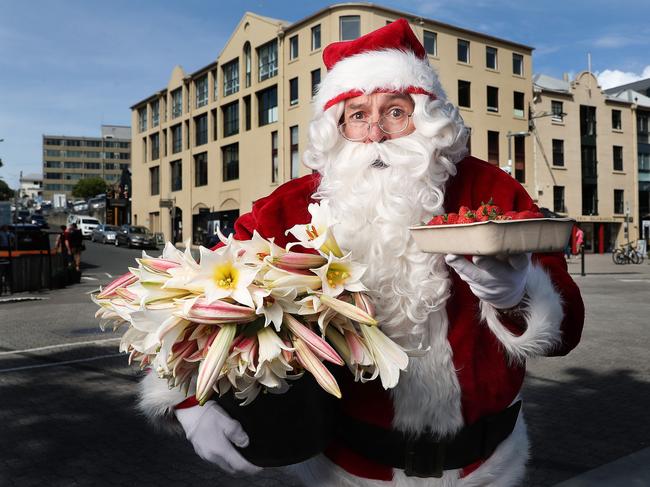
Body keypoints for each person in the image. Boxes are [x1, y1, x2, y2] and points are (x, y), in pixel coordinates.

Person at [137, 19, 584, 486]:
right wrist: (186, 399)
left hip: (488, 468)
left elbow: (566, 329)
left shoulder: (491, 190)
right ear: (336, 128)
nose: (376, 133)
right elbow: (192, 298)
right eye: (357, 115)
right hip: (345, 472)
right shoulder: (290, 208)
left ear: (427, 117)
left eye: (395, 111)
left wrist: (519, 298)